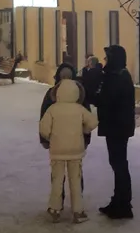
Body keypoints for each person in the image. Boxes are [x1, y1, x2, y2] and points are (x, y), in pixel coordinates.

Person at [39, 68, 99, 223]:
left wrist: (51, 137)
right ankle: (78, 211)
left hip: (57, 150)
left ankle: (54, 209)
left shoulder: (53, 109)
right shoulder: (79, 109)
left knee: (57, 180)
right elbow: (93, 122)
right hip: (76, 150)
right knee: (76, 180)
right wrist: (83, 130)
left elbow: (44, 129)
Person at [96, 45, 135, 220]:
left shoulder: (118, 77)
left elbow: (107, 100)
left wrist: (93, 95)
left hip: (117, 127)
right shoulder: (117, 75)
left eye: (107, 57)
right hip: (117, 126)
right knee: (118, 163)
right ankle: (119, 200)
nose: (105, 61)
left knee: (119, 164)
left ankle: (123, 204)